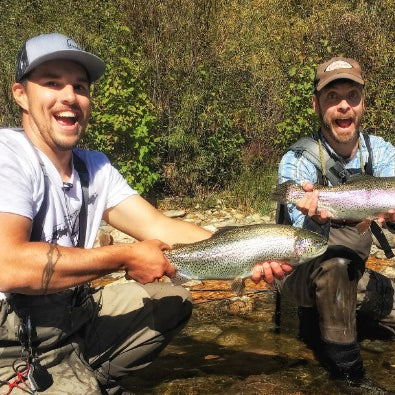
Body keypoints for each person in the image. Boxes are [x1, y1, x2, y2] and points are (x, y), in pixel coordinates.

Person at [0, 33, 288, 394]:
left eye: (80, 86)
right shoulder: (8, 156)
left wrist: (248, 250)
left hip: (71, 321)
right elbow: (8, 266)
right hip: (10, 342)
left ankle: (76, 373)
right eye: (52, 83)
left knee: (171, 300)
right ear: (20, 95)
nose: (70, 97)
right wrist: (125, 256)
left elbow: (158, 225)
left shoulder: (94, 168)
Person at [276, 57, 395, 387]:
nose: (344, 106)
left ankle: (345, 326)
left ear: (363, 103)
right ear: (317, 105)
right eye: (333, 97)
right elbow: (300, 243)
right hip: (302, 273)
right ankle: (350, 377)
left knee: (345, 270)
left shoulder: (381, 153)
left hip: (353, 274)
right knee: (336, 265)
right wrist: (314, 218)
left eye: (352, 96)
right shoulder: (299, 159)